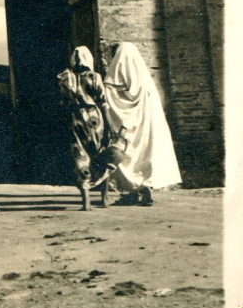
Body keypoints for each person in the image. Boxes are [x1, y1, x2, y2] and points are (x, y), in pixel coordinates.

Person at [103, 41, 181, 206]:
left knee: (128, 155)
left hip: (128, 129)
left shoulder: (115, 84)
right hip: (146, 130)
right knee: (144, 155)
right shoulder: (147, 85)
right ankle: (145, 191)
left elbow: (112, 98)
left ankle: (133, 192)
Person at [57, 45, 117, 204]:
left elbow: (63, 102)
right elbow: (103, 102)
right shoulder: (94, 76)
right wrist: (109, 125)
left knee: (80, 156)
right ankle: (105, 198)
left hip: (75, 118)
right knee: (101, 153)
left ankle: (86, 201)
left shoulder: (66, 77)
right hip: (94, 118)